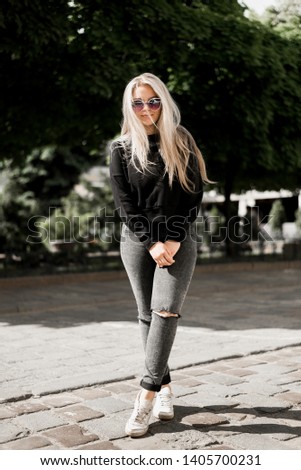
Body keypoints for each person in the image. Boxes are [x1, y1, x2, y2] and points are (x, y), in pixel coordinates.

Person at [109, 72, 211, 437]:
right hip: (137, 243)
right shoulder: (120, 148)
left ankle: (146, 395)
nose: (146, 108)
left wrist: (171, 239)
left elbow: (192, 195)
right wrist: (150, 242)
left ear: (164, 102)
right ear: (129, 107)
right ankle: (166, 387)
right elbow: (125, 205)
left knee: (165, 311)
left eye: (153, 100)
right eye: (138, 102)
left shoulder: (180, 140)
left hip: (178, 241)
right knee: (146, 316)